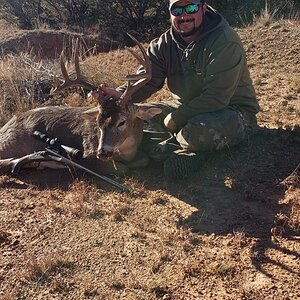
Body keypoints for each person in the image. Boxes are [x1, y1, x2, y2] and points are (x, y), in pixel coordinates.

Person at [100, 0, 260, 179]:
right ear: (169, 12)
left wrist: (176, 118)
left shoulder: (224, 41)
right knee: (137, 119)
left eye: (191, 8)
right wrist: (119, 95)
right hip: (184, 105)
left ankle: (180, 152)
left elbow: (217, 97)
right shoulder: (163, 44)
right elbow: (149, 82)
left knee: (198, 132)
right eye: (177, 9)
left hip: (231, 110)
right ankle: (179, 149)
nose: (184, 16)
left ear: (204, 8)